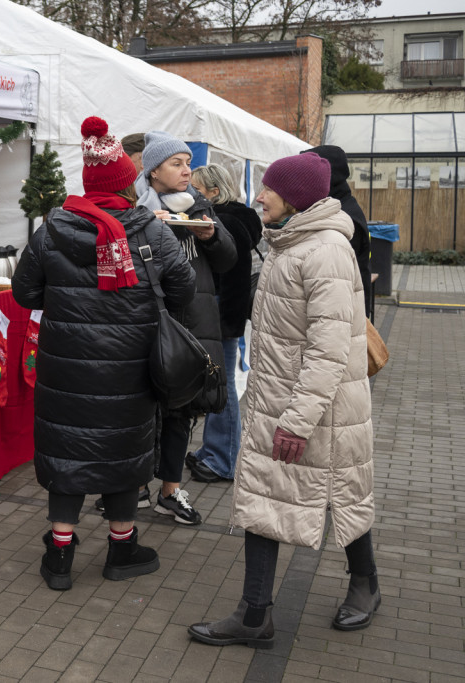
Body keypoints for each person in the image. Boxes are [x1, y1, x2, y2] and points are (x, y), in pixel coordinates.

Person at [188, 153, 379, 649]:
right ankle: (255, 615)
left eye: (268, 189)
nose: (258, 197)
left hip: (319, 409)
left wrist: (296, 420)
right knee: (264, 497)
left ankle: (366, 584)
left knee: (342, 492)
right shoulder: (290, 243)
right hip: (280, 397)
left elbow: (329, 349)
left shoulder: (325, 252)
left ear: (294, 196)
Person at [12, 116, 196, 591]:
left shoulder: (53, 229)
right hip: (129, 368)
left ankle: (58, 553)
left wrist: (67, 297)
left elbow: (24, 292)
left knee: (68, 453)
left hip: (66, 367)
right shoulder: (150, 231)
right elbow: (184, 288)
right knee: (121, 454)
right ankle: (121, 547)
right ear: (127, 185)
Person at [133, 131, 237, 525]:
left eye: (187, 163)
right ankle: (136, 487)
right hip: (147, 321)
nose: (185, 170)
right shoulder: (136, 208)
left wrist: (210, 236)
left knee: (181, 411)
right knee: (142, 410)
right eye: (176, 163)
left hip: (192, 323)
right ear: (153, 169)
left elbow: (227, 259)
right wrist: (148, 226)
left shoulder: (200, 205)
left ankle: (170, 491)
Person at [185, 164, 263, 483]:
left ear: (214, 193)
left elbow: (231, 281)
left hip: (220, 317)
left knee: (222, 384)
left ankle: (223, 459)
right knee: (216, 382)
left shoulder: (226, 222)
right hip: (218, 316)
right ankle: (213, 451)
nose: (190, 194)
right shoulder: (233, 218)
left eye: (197, 189)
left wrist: (224, 326)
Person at [302, 145, 372, 317]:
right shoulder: (340, 207)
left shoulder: (342, 218)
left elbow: (334, 289)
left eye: (306, 174)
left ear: (326, 176)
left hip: (343, 317)